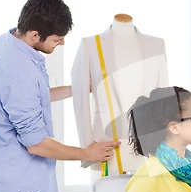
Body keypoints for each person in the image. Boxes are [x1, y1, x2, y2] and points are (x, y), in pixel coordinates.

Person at [0, 0, 120, 192]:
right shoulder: (18, 70)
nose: (62, 44)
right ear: (35, 35)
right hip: (22, 187)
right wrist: (87, 153)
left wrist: (77, 89)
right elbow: (35, 144)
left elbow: (29, 97)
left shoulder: (4, 44)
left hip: (2, 175)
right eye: (57, 39)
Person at [71, 13, 168, 174]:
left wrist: (164, 144)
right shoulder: (90, 45)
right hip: (105, 149)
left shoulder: (157, 45)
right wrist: (88, 148)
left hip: (147, 148)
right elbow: (80, 100)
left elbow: (163, 99)